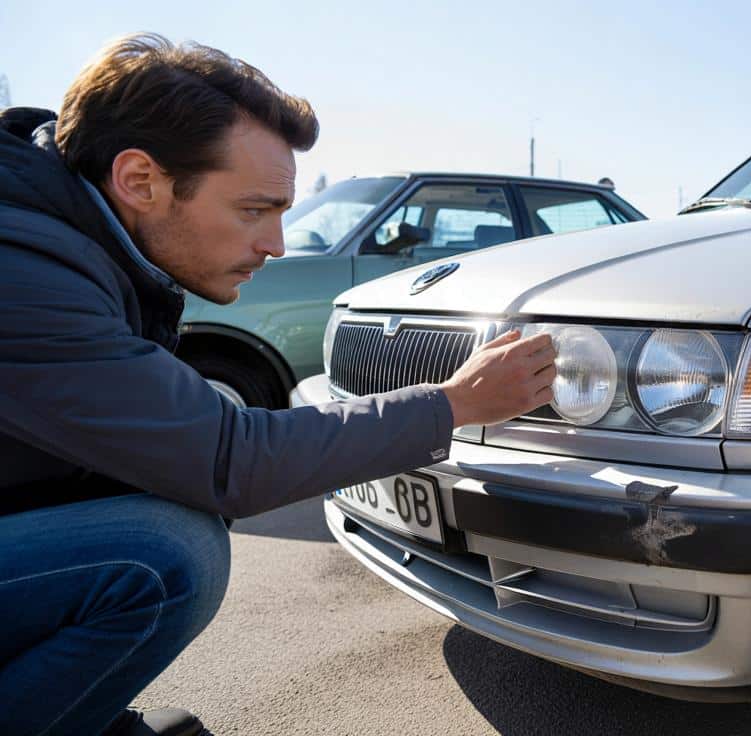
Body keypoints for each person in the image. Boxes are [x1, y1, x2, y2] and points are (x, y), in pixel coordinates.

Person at [0, 34, 556, 736]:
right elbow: (229, 458)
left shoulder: (60, 237)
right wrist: (457, 402)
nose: (277, 245)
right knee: (165, 554)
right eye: (254, 210)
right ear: (140, 180)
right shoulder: (20, 273)